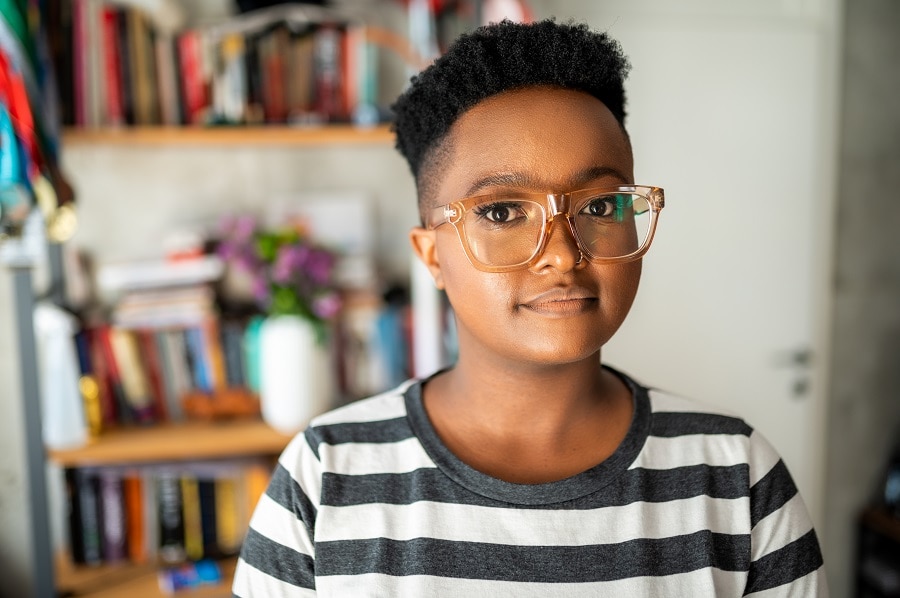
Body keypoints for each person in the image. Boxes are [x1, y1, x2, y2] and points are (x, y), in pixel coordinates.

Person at [232, 18, 827, 597]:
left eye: (601, 207)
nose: (563, 256)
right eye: (501, 212)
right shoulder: (325, 478)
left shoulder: (736, 475)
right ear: (431, 255)